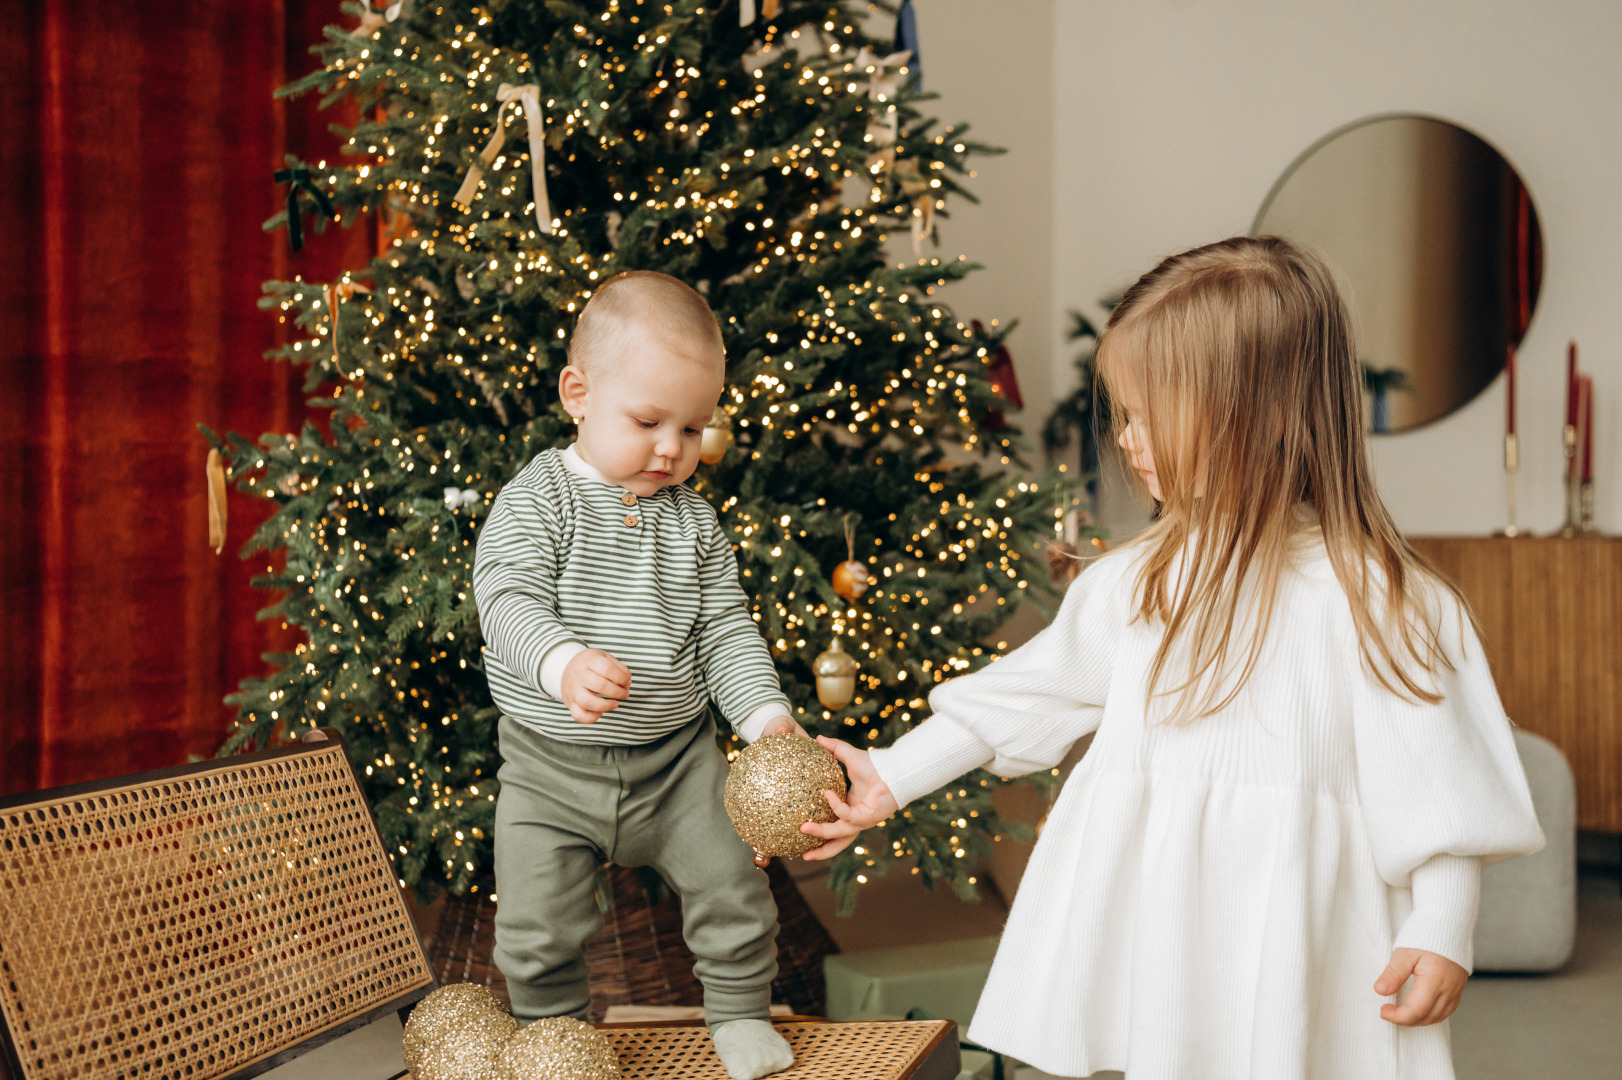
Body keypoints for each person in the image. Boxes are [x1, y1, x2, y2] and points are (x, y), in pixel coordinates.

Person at [802, 236, 1544, 1080]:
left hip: (1310, 931)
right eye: (1122, 413)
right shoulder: (1135, 585)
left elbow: (1441, 792)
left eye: (1150, 414)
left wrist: (1441, 925)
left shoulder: (1385, 602)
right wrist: (891, 776)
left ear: (1256, 414)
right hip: (1166, 916)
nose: (1127, 438)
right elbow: (1024, 697)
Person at [473, 271, 803, 1080]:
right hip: (551, 769)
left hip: (675, 764)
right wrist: (561, 662)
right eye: (649, 420)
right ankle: (556, 1037)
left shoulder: (693, 521)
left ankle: (737, 1013)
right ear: (578, 395)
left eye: (695, 428)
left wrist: (766, 722)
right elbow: (505, 596)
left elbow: (724, 628)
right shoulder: (537, 501)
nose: (672, 448)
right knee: (532, 925)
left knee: (733, 886)